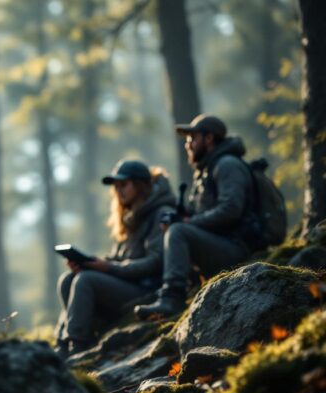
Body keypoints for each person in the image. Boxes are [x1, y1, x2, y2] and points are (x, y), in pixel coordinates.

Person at [134, 114, 254, 320]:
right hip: (221, 244)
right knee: (176, 227)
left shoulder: (227, 165)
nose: (187, 145)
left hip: (238, 247)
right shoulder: (206, 170)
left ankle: (172, 298)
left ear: (209, 139)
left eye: (192, 138)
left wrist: (188, 223)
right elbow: (198, 213)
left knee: (179, 230)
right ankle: (175, 291)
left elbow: (231, 209)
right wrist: (182, 217)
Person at [55, 160, 176, 358]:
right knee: (68, 280)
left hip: (146, 291)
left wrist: (109, 268)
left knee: (86, 281)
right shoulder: (130, 217)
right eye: (116, 187)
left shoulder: (160, 213)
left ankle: (78, 346)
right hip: (125, 284)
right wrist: (91, 263)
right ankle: (62, 343)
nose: (119, 191)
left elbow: (156, 262)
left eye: (124, 185)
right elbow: (117, 257)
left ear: (140, 184)